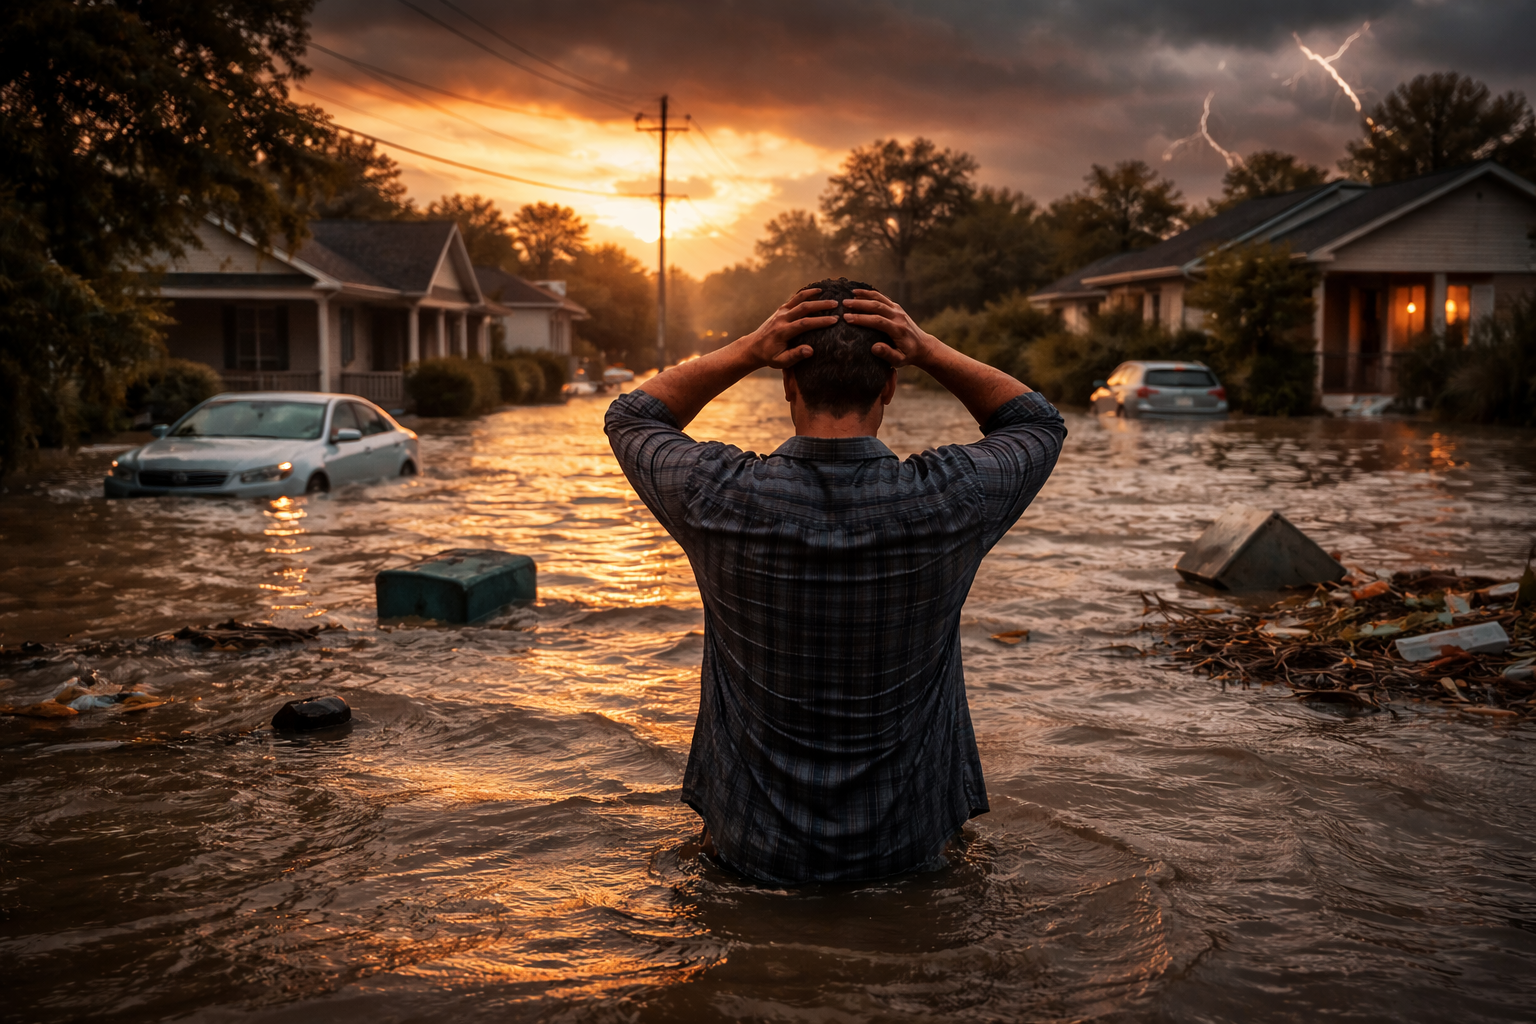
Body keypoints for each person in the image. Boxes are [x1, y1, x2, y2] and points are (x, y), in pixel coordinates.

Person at [605, 278, 1066, 884]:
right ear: (893, 385)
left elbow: (633, 415)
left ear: (787, 383)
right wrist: (929, 348)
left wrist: (748, 348)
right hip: (909, 853)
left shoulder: (715, 495)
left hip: (750, 852)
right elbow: (1035, 424)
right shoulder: (952, 499)